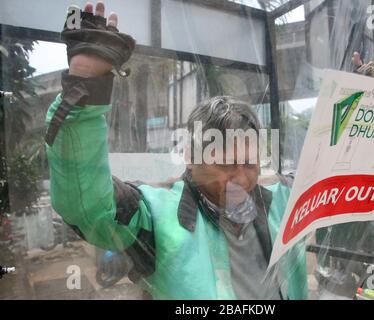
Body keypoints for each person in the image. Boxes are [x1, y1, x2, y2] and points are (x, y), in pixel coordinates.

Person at [45, 2, 308, 300]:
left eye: (249, 163)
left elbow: (345, 186)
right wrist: (85, 87)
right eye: (225, 164)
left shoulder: (286, 200)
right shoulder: (156, 216)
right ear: (191, 159)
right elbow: (88, 207)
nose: (241, 179)